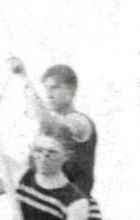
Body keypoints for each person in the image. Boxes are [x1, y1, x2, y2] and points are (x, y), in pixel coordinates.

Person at [9, 56, 99, 196]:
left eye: (55, 88)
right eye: (46, 89)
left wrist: (23, 77)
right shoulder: (45, 132)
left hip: (73, 207)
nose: (48, 95)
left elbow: (51, 126)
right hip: (48, 207)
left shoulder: (80, 122)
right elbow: (21, 173)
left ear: (72, 90)